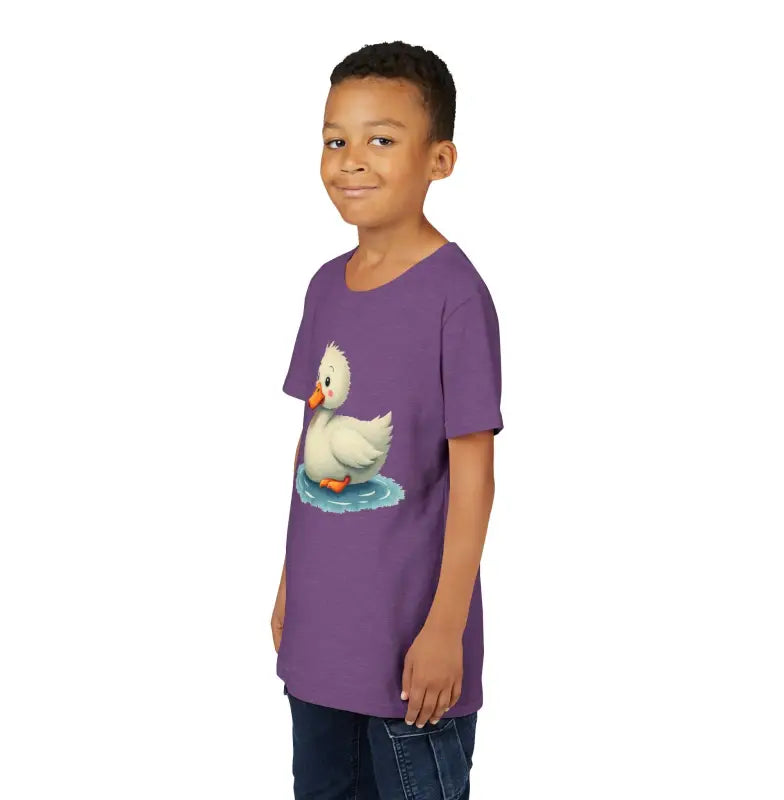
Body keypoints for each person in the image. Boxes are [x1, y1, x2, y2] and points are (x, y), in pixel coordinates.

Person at [271, 40, 504, 799]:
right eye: (335, 140)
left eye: (381, 140)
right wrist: (290, 585)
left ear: (440, 159)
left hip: (410, 656)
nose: (351, 162)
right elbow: (307, 452)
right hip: (320, 641)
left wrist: (445, 628)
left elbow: (473, 477)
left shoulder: (455, 297)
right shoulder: (324, 287)